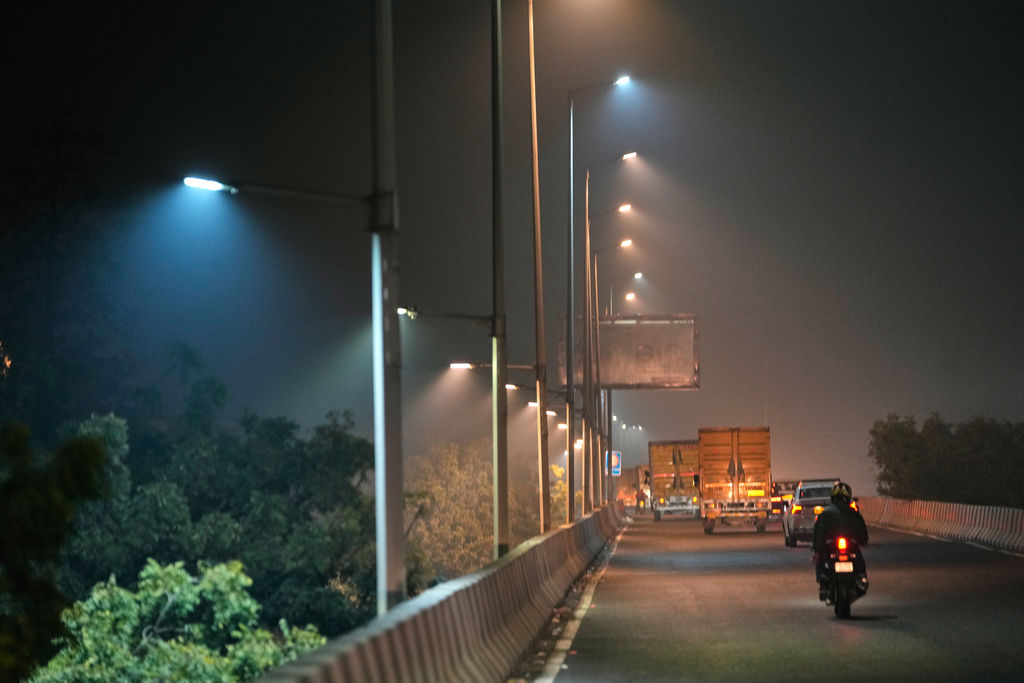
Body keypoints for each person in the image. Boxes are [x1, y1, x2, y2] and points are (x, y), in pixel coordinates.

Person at [811, 481, 868, 601]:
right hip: (849, 545)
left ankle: (823, 585)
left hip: (832, 546)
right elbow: (862, 530)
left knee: (821, 559)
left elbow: (818, 532)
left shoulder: (825, 513)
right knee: (859, 559)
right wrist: (863, 541)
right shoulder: (854, 513)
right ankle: (861, 578)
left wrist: (817, 549)